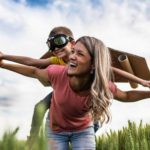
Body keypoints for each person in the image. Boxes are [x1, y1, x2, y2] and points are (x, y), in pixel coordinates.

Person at [0, 36, 150, 150]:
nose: (71, 56)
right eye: (73, 51)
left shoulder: (101, 85)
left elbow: (126, 96)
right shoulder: (56, 73)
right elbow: (33, 69)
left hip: (83, 131)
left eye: (79, 54)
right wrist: (4, 63)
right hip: (56, 131)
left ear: (93, 65)